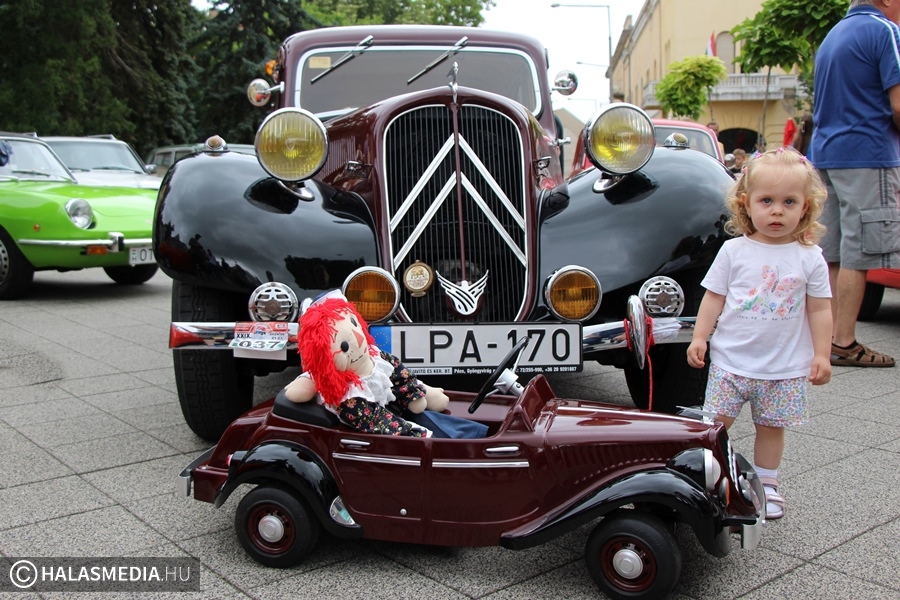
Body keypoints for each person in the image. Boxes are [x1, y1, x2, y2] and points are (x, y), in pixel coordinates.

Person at [687, 147, 833, 520]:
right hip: (732, 362)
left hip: (783, 368)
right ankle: (709, 476)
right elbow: (713, 298)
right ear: (746, 203)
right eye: (766, 200)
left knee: (771, 429)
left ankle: (767, 484)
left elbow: (819, 308)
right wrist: (700, 336)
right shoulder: (734, 251)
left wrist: (821, 354)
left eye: (789, 201)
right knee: (714, 425)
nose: (777, 210)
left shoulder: (809, 256)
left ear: (806, 207)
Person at [811, 0, 900, 368]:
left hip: (826, 153)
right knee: (860, 252)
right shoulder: (885, 31)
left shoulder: (833, 35)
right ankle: (844, 341)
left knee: (832, 251)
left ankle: (827, 338)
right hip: (867, 152)